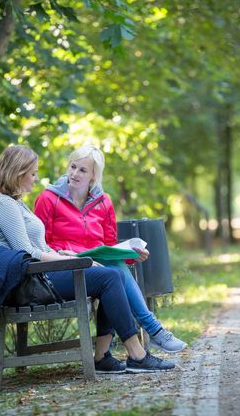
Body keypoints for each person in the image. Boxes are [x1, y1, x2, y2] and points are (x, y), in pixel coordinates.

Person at [0, 144, 175, 374]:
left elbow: (39, 247)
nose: (36, 178)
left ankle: (106, 357)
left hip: (38, 277)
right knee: (109, 278)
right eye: (32, 173)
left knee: (108, 274)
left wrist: (68, 256)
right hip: (30, 284)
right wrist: (78, 263)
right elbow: (27, 251)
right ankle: (137, 354)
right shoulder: (2, 204)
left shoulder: (14, 203)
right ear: (18, 172)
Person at [34, 145, 187, 353]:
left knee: (112, 270)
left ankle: (106, 354)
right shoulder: (48, 199)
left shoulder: (104, 202)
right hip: (63, 267)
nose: (74, 173)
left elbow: (110, 246)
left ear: (94, 176)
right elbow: (39, 244)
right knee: (111, 273)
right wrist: (62, 253)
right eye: (73, 167)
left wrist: (132, 255)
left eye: (82, 170)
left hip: (97, 266)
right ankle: (153, 329)